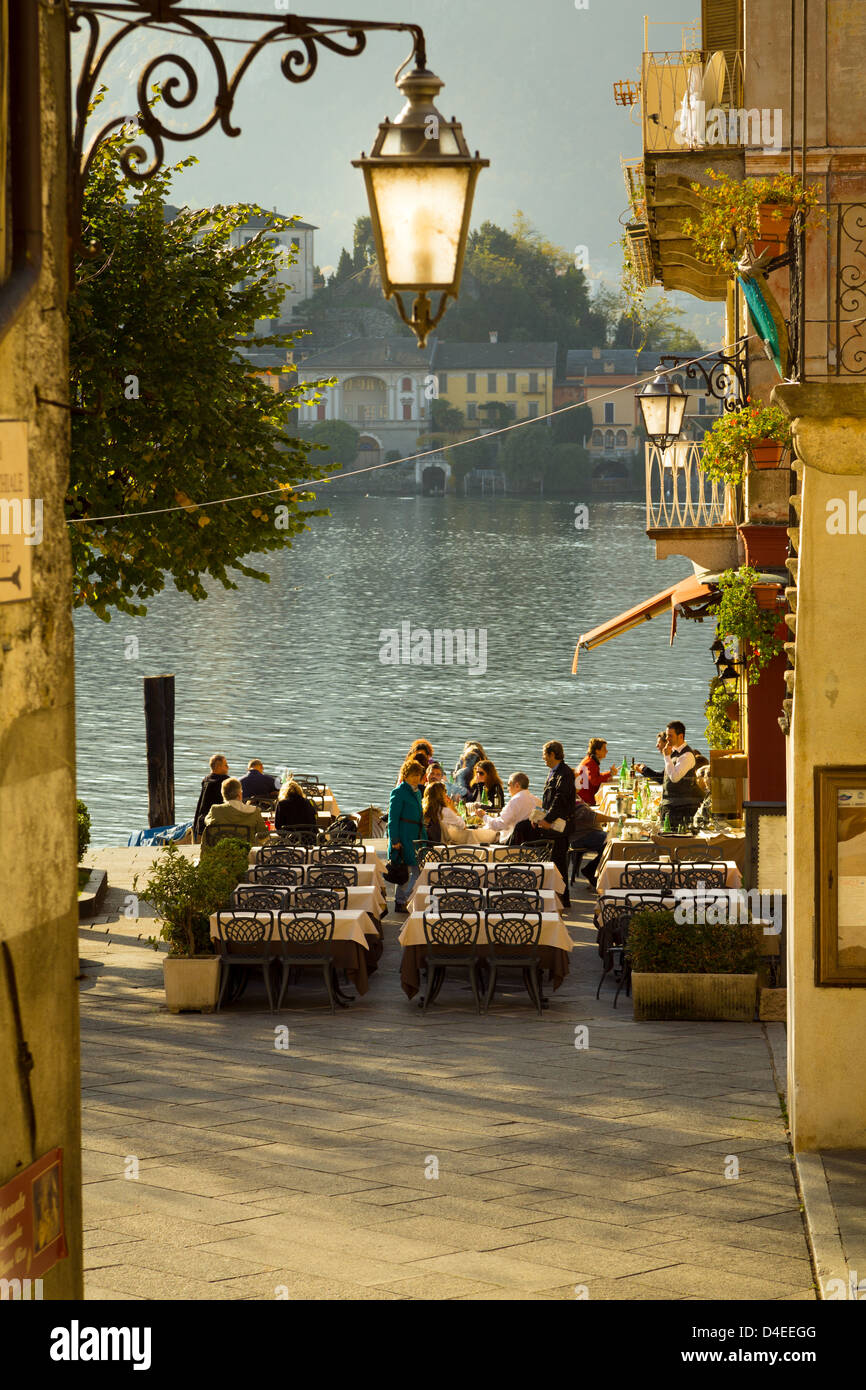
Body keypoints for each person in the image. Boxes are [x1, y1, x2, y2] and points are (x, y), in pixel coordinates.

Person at [636, 721, 704, 828]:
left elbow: (674, 778)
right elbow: (665, 778)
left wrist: (666, 757)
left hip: (681, 809)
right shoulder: (673, 753)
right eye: (667, 735)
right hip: (670, 807)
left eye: (670, 736)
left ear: (681, 736)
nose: (667, 739)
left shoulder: (687, 755)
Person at [537, 740, 577, 909]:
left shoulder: (564, 774)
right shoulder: (555, 772)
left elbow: (559, 800)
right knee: (556, 859)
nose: (543, 758)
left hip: (559, 825)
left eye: (544, 755)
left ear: (552, 754)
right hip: (554, 821)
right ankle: (560, 897)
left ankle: (562, 898)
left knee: (559, 860)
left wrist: (547, 819)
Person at [388, 757, 427, 912]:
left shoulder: (417, 792)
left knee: (414, 869)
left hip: (416, 835)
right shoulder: (398, 792)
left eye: (418, 775)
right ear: (405, 776)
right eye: (413, 775)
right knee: (409, 870)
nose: (416, 778)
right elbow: (393, 818)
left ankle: (402, 900)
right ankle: (402, 899)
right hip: (404, 836)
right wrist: (395, 839)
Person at [201, 777, 269, 854]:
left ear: (223, 794)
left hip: (220, 855)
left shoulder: (215, 810)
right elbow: (263, 835)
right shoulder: (254, 811)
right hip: (245, 856)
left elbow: (207, 823)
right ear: (239, 794)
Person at [571, 797, 618, 890]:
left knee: (611, 841)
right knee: (611, 844)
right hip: (581, 836)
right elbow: (592, 816)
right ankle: (591, 870)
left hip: (587, 832)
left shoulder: (574, 796)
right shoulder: (571, 798)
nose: (581, 782)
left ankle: (595, 871)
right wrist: (615, 819)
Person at [481, 772, 541, 842]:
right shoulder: (538, 801)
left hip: (512, 845)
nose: (507, 788)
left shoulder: (515, 801)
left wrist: (483, 816)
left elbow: (500, 825)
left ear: (517, 786)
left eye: (509, 785)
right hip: (533, 844)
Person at [194, 753, 230, 840]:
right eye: (225, 765)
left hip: (201, 822)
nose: (228, 767)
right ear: (218, 767)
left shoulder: (206, 780)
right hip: (216, 824)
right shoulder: (224, 781)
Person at [576, 738, 618, 806]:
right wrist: (610, 774)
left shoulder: (589, 760)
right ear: (597, 751)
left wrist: (609, 774)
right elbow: (594, 781)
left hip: (584, 798)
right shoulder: (590, 763)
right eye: (604, 749)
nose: (607, 751)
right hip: (585, 801)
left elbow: (594, 777)